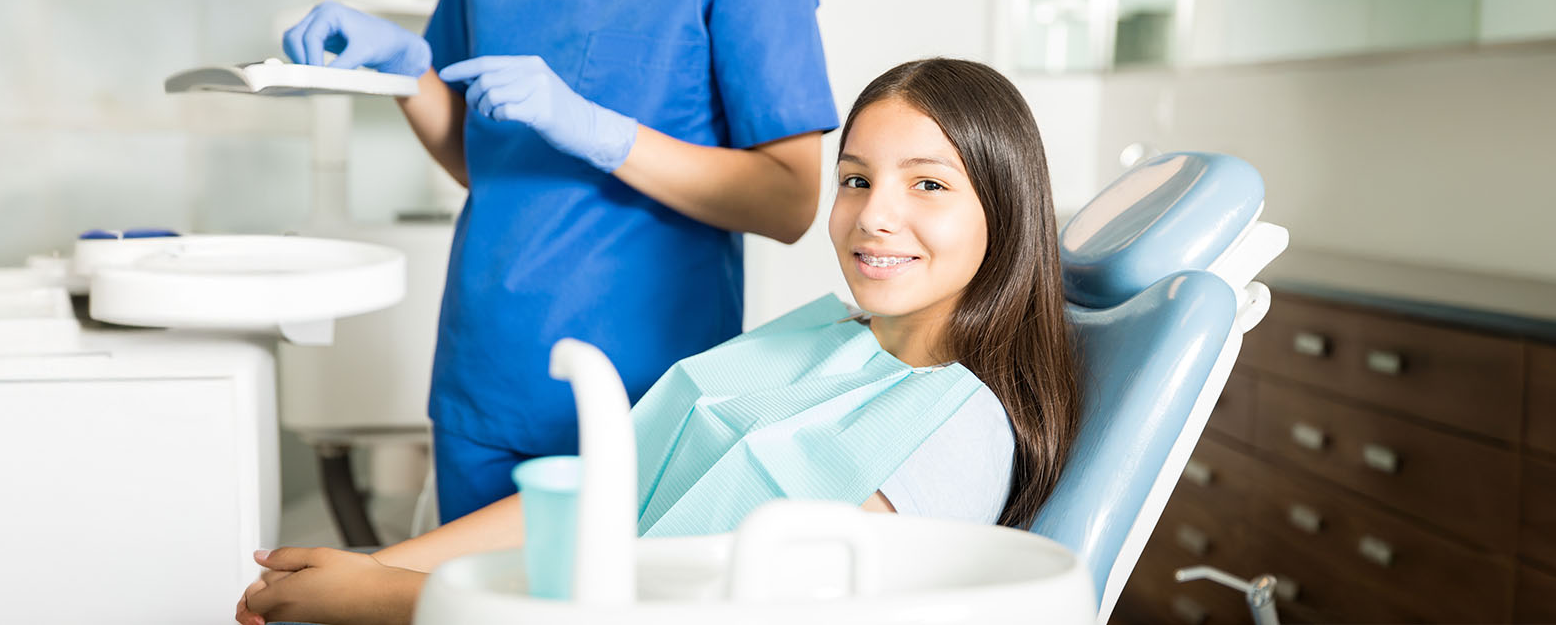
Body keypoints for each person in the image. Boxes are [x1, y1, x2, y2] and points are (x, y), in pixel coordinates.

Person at [236, 58, 1084, 625]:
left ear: (1004, 210)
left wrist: (395, 601)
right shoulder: (830, 334)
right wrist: (372, 567)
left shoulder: (958, 430)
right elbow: (612, 495)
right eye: (855, 179)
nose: (873, 215)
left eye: (927, 185)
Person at [280, 0, 839, 526]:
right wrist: (408, 69)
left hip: (643, 392)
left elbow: (789, 199)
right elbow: (482, 160)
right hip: (484, 376)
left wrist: (603, 132)